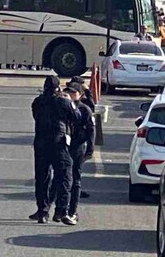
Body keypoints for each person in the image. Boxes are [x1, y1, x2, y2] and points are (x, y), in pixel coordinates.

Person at [29, 75, 80, 224]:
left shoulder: (38, 102)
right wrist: (70, 102)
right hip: (58, 143)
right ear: (58, 87)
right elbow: (76, 116)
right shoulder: (64, 102)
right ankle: (61, 211)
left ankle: (42, 212)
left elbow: (35, 117)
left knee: (42, 178)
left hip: (40, 143)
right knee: (64, 176)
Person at [66, 83, 95, 224]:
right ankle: (60, 210)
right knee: (63, 178)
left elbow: (91, 130)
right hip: (64, 147)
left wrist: (90, 149)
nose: (71, 95)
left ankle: (72, 211)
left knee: (75, 178)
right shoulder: (64, 106)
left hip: (78, 146)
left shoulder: (85, 109)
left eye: (73, 93)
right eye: (68, 92)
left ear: (80, 94)